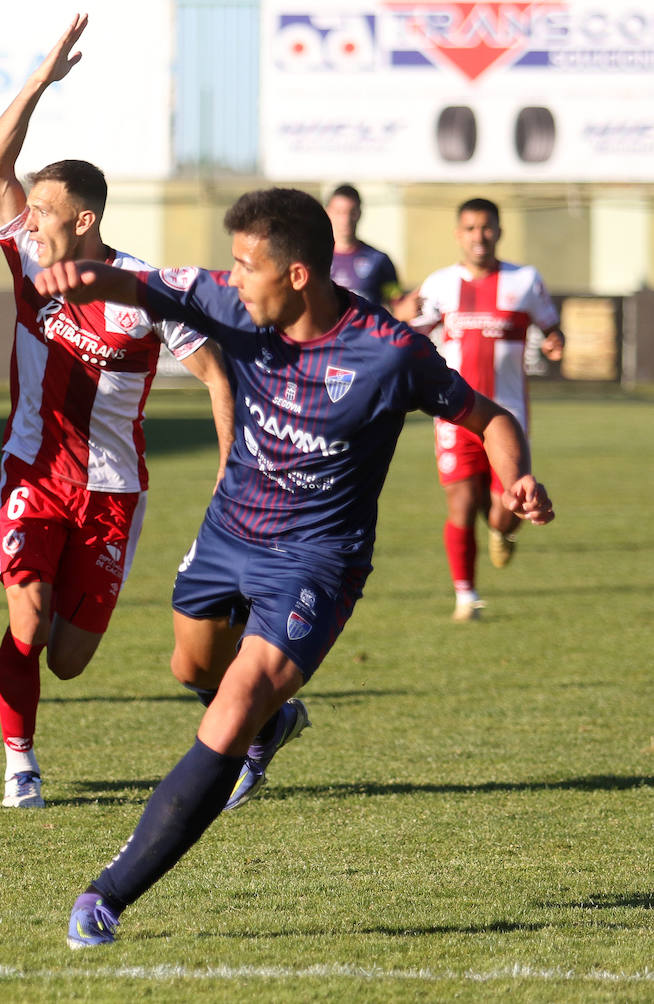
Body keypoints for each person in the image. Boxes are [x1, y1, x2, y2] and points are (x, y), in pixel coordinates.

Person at [31, 187, 556, 948]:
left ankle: (105, 896)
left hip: (316, 560)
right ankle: (274, 725)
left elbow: (489, 416)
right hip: (228, 533)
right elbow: (141, 283)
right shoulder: (231, 304)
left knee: (229, 707)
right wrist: (80, 278)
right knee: (192, 666)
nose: (234, 277)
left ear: (299, 274)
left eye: (248, 266)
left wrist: (517, 476)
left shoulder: (388, 352)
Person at [0, 14, 234, 810]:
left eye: (46, 211)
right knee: (28, 619)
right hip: (34, 474)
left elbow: (217, 376)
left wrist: (234, 474)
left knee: (69, 659)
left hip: (115, 491)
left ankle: (259, 716)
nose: (31, 221)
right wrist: (41, 81)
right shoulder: (27, 257)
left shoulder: (146, 290)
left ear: (82, 220)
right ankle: (20, 763)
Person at [395, 198, 564, 621]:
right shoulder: (439, 284)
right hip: (454, 414)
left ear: (499, 231)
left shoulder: (525, 281)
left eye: (486, 228)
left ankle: (503, 533)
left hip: (507, 417)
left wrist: (555, 340)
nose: (479, 236)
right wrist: (399, 314)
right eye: (470, 228)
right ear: (459, 234)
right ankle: (466, 597)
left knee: (507, 510)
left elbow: (551, 327)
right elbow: (404, 332)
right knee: (461, 503)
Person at [325, 184, 401, 307]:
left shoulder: (380, 260)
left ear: (360, 213)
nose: (346, 219)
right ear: (328, 212)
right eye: (339, 212)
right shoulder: (316, 259)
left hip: (369, 326)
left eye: (352, 212)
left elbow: (397, 303)